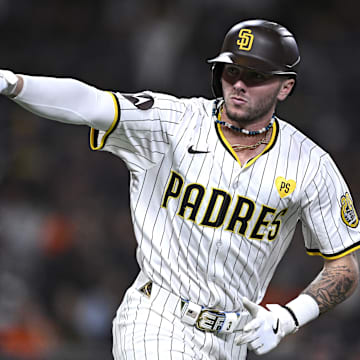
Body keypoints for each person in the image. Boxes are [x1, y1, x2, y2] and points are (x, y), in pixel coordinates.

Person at [1, 19, 359, 359]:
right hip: (157, 318)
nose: (239, 83)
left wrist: (291, 315)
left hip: (233, 338)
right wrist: (15, 83)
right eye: (231, 71)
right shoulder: (173, 122)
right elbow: (90, 102)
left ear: (285, 86)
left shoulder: (311, 164)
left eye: (256, 75)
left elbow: (344, 267)